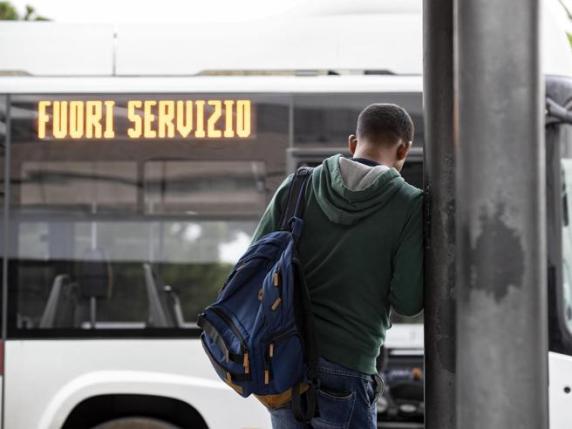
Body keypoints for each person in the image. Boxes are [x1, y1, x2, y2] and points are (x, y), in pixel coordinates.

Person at [251, 103, 424, 429]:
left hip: (284, 363)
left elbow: (255, 267)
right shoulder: (409, 204)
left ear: (352, 142)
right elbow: (408, 300)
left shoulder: (296, 186)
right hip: (349, 365)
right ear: (404, 149)